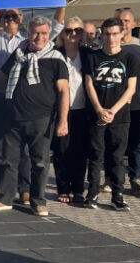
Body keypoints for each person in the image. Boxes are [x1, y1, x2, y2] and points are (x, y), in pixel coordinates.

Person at [0, 0, 68, 206]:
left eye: (14, 16)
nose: (9, 19)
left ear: (21, 21)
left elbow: (56, 25)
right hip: (5, 104)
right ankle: (3, 193)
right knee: (4, 153)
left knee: (34, 157)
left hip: (36, 111)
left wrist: (61, 1)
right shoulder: (6, 45)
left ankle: (30, 194)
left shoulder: (43, 49)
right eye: (6, 16)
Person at [83, 17, 140, 210]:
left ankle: (117, 196)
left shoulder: (130, 57)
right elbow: (89, 84)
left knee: (116, 158)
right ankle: (92, 194)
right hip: (96, 115)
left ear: (122, 34)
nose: (111, 38)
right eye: (107, 34)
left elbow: (131, 88)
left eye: (115, 33)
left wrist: (112, 112)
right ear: (102, 34)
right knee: (95, 156)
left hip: (120, 117)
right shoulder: (93, 57)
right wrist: (100, 110)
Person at [51, 17, 89, 204]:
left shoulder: (88, 54)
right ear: (62, 34)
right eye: (68, 31)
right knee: (61, 151)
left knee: (81, 152)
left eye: (77, 31)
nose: (73, 34)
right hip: (60, 110)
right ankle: (63, 188)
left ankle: (79, 189)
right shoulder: (55, 54)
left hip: (83, 110)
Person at [116, 8, 140, 196]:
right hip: (116, 104)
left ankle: (136, 178)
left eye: (127, 21)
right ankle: (113, 179)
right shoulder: (110, 45)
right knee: (117, 143)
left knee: (137, 144)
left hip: (139, 103)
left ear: (133, 24)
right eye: (120, 21)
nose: (124, 24)